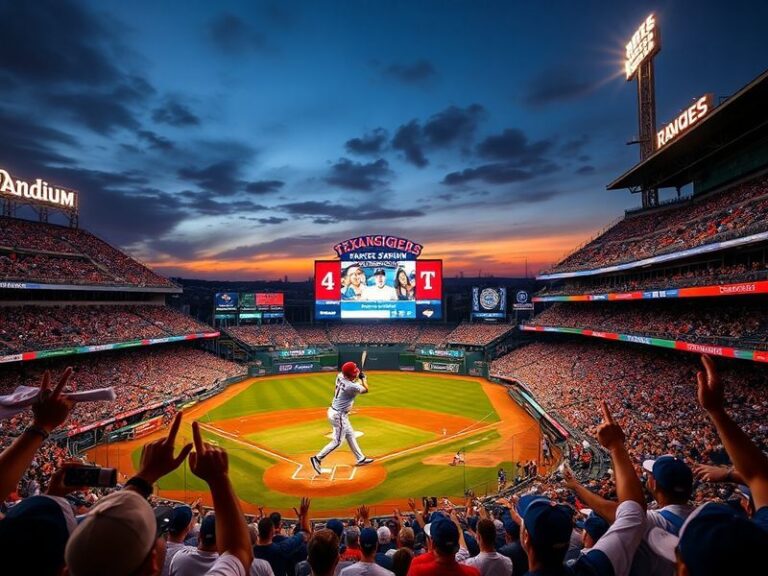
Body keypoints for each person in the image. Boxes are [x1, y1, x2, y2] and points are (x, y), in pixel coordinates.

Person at [310, 361, 374, 474]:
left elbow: (352, 378)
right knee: (338, 441)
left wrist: (357, 375)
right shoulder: (351, 387)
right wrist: (364, 378)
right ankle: (317, 458)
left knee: (350, 435)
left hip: (335, 412)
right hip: (338, 415)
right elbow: (366, 389)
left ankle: (360, 458)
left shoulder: (340, 376)